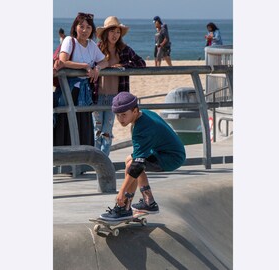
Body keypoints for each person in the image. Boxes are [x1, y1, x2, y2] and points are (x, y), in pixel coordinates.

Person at [99, 92, 186, 221]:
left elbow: (137, 165)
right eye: (117, 115)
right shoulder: (144, 114)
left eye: (124, 115)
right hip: (167, 151)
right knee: (130, 160)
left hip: (171, 158)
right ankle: (144, 203)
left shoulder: (142, 128)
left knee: (133, 165)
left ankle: (128, 206)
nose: (120, 119)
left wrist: (121, 192)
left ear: (135, 111)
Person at [93, 16, 146, 156]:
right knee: (96, 131)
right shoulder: (97, 48)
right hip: (96, 95)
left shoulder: (124, 49)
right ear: (105, 33)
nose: (115, 35)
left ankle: (104, 161)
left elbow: (141, 63)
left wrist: (123, 66)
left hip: (115, 97)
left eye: (118, 32)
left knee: (107, 131)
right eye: (112, 31)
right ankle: (94, 162)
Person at [53, 12, 108, 146]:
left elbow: (105, 61)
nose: (84, 30)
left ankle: (80, 160)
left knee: (83, 125)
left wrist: (97, 69)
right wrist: (85, 66)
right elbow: (63, 60)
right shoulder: (69, 41)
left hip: (84, 92)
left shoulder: (91, 45)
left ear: (92, 30)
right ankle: (63, 161)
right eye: (81, 26)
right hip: (69, 90)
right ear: (75, 27)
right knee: (65, 123)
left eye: (88, 27)